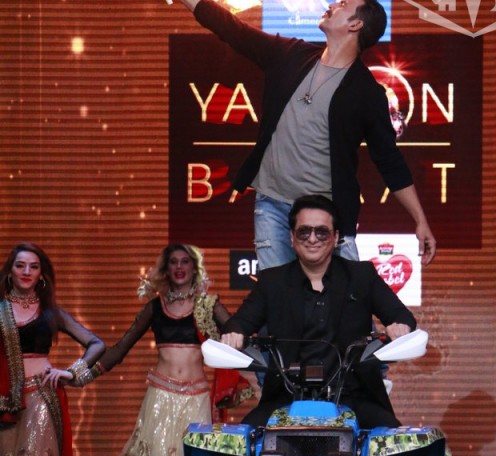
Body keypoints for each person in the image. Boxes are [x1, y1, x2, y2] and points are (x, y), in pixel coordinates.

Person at [175, 0, 437, 270]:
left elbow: (389, 160)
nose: (333, 4)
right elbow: (233, 29)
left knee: (343, 295)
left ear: (356, 24)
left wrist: (420, 220)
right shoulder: (291, 55)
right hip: (273, 207)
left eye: (343, 4)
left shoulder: (367, 93)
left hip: (327, 216)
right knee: (277, 294)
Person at [220, 194, 417, 428]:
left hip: (354, 397)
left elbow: (403, 317)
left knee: (397, 444)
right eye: (304, 232)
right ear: (292, 238)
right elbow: (239, 322)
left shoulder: (361, 276)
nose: (312, 239)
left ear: (335, 237)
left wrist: (400, 327)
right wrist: (234, 334)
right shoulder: (272, 281)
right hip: (286, 399)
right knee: (242, 442)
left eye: (321, 232)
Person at [90, 244, 252, 456]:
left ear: (194, 268)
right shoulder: (155, 307)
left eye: (185, 261)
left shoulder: (207, 305)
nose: (179, 267)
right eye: (173, 262)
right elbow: (120, 349)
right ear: (166, 269)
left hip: (196, 399)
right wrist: (82, 375)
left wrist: (238, 337)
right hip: (160, 397)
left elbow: (235, 330)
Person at [0, 242, 106, 456]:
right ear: (9, 272)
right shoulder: (0, 310)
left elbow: (97, 344)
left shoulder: (51, 313)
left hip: (42, 395)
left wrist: (72, 372)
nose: (26, 272)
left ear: (41, 274)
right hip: (5, 403)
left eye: (33, 267)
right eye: (20, 265)